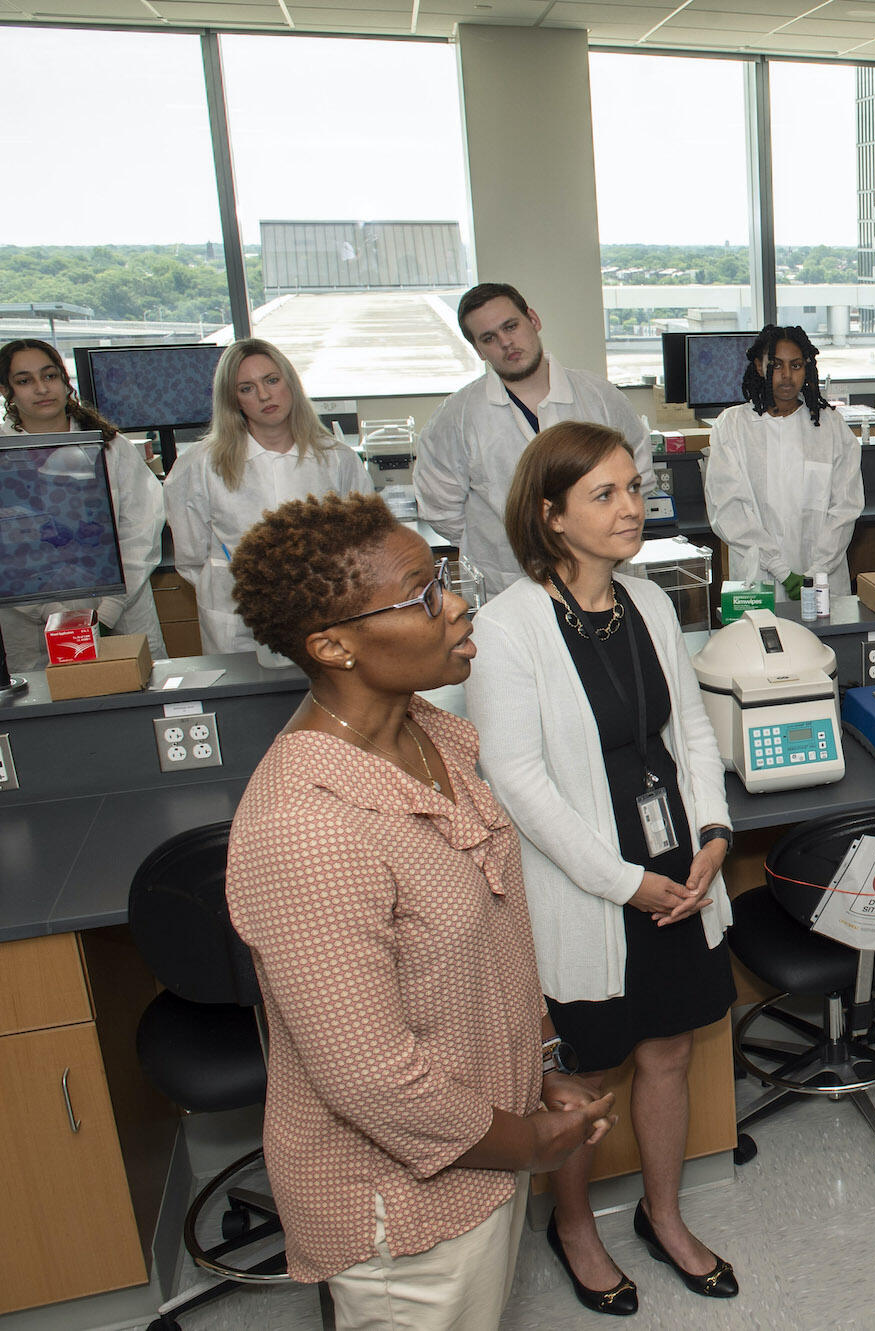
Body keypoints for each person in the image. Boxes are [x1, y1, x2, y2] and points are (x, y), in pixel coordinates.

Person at [224, 491, 616, 1329]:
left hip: (487, 1147)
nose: (456, 601)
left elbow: (486, 953)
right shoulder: (307, 827)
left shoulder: (430, 734)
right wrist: (532, 1144)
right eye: (421, 594)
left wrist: (539, 1064)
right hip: (403, 1207)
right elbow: (377, 1082)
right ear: (333, 645)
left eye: (444, 576)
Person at [464, 421, 738, 1315]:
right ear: (551, 518)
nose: (635, 506)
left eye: (634, 487)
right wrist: (624, 881)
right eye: (608, 494)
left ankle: (663, 1215)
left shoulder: (650, 601)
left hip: (676, 865)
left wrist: (711, 832)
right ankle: (575, 1227)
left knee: (668, 1050)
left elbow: (688, 728)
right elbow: (517, 780)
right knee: (583, 1076)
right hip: (590, 884)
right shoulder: (507, 629)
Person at [416, 282, 652, 591]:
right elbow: (439, 508)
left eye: (511, 326)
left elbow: (640, 477)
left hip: (601, 577)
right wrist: (500, 545)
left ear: (533, 320)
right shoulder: (456, 417)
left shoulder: (601, 399)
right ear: (477, 349)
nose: (506, 343)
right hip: (506, 582)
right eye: (489, 338)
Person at [164, 338, 371, 654]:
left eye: (271, 380)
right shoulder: (200, 464)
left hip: (321, 616)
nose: (263, 395)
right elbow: (192, 557)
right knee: (246, 700)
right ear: (233, 400)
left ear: (290, 381)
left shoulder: (337, 459)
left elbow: (364, 544)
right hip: (234, 620)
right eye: (246, 388)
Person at [1, 338, 167, 666]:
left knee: (137, 703)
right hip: (32, 621)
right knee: (52, 712)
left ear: (65, 382)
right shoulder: (3, 457)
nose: (41, 388)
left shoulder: (110, 447)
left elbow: (141, 531)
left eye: (49, 376)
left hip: (122, 611)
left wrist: (106, 611)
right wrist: (57, 616)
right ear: (7, 392)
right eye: (24, 380)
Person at [705, 324, 864, 598]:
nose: (787, 376)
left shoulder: (830, 426)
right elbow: (728, 509)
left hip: (823, 579)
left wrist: (816, 572)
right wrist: (780, 569)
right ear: (758, 366)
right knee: (761, 639)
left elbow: (845, 507)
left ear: (807, 369)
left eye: (797, 365)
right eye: (776, 366)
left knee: (824, 641)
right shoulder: (732, 426)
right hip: (759, 576)